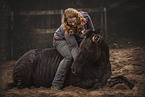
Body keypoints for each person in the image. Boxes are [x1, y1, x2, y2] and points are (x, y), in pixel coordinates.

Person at [51, 8, 95, 90]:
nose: (73, 24)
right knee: (68, 57)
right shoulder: (66, 29)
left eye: (74, 21)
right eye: (70, 22)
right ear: (66, 21)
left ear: (77, 18)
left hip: (77, 37)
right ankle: (56, 84)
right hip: (60, 40)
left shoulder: (86, 16)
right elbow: (74, 47)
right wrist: (78, 62)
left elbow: (92, 31)